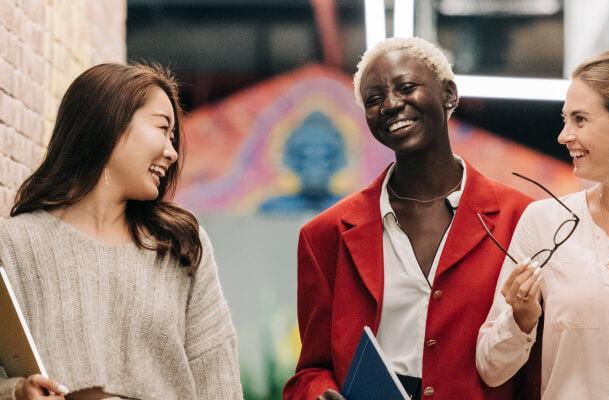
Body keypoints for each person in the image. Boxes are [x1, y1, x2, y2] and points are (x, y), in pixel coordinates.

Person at [283, 37, 539, 400]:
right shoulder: (325, 235)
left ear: (449, 94)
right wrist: (319, 394)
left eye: (406, 87)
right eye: (373, 99)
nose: (390, 104)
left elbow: (538, 367)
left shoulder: (520, 218)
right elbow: (310, 370)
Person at [0, 63, 243, 400]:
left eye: (174, 138)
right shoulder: (13, 245)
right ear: (110, 124)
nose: (172, 153)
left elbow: (220, 386)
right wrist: (17, 392)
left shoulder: (182, 247)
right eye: (163, 129)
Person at [476, 49, 609, 399]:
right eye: (565, 119)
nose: (563, 135)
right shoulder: (544, 222)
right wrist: (520, 320)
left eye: (579, 120)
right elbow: (491, 367)